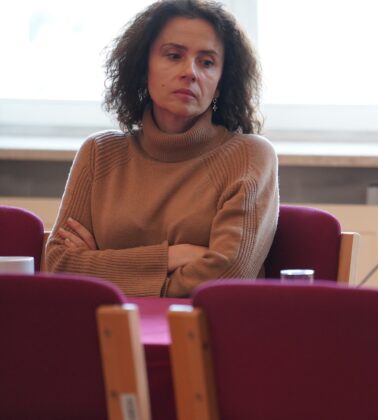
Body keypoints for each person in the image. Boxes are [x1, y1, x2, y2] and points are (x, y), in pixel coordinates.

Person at [45, 0, 279, 297]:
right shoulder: (99, 153)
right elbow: (59, 265)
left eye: (207, 62)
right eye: (174, 55)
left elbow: (227, 277)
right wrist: (172, 256)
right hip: (103, 323)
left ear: (221, 83)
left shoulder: (249, 156)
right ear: (144, 68)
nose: (190, 72)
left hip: (202, 325)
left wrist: (101, 266)